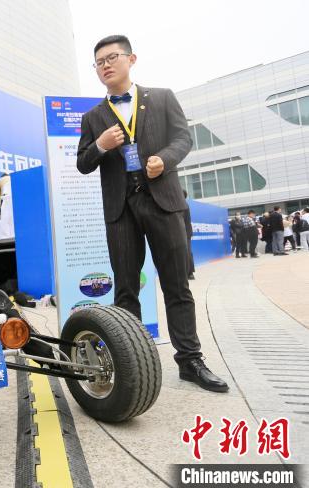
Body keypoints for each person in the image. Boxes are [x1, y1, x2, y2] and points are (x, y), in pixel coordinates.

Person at [76, 34, 227, 393]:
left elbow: (183, 139)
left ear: (131, 59)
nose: (105, 65)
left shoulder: (161, 97)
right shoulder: (93, 117)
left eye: (112, 58)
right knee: (126, 289)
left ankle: (190, 361)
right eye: (99, 62)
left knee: (177, 285)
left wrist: (165, 159)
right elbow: (83, 162)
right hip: (121, 210)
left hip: (163, 201)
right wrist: (101, 145)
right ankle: (131, 362)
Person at [182, 190, 195, 279]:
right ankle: (187, 272)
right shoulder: (183, 204)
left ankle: (190, 272)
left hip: (185, 232)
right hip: (183, 232)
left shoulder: (183, 205)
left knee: (187, 252)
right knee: (185, 252)